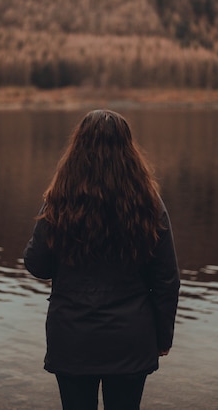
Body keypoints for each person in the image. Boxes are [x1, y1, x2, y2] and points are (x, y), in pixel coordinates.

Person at [24, 109, 180, 410]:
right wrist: (162, 339)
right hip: (131, 339)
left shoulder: (59, 200)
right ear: (128, 150)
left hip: (72, 337)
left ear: (77, 148)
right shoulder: (148, 203)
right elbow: (166, 280)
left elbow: (37, 264)